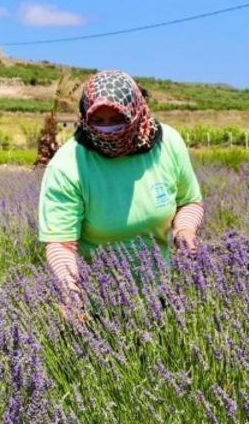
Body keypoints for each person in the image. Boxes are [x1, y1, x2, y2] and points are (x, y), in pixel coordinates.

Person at [37, 69, 204, 312]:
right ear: (85, 118)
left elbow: (188, 201)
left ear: (136, 111)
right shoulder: (67, 166)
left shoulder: (168, 144)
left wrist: (185, 229)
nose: (109, 130)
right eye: (98, 121)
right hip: (99, 303)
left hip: (163, 296)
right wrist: (71, 291)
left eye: (117, 119)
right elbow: (61, 244)